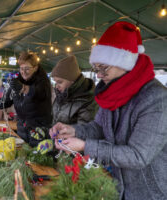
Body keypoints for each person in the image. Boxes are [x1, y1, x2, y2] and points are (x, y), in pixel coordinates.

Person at [50, 21, 167, 200]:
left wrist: (84, 146)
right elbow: (99, 127)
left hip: (149, 192)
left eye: (103, 68)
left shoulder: (156, 99)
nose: (98, 75)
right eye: (96, 68)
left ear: (125, 62)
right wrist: (73, 130)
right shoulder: (112, 91)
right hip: (119, 186)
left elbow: (138, 156)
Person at [0, 52, 52, 146]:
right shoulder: (18, 81)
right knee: (23, 155)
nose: (23, 72)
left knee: (37, 157)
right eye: (21, 68)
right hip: (22, 128)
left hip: (39, 129)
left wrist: (23, 88)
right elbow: (6, 102)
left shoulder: (43, 82)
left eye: (27, 69)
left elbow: (38, 93)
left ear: (35, 68)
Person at [51, 55, 98, 125]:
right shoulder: (61, 95)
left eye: (60, 82)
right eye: (55, 82)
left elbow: (84, 131)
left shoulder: (87, 100)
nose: (56, 86)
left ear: (72, 80)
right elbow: (54, 119)